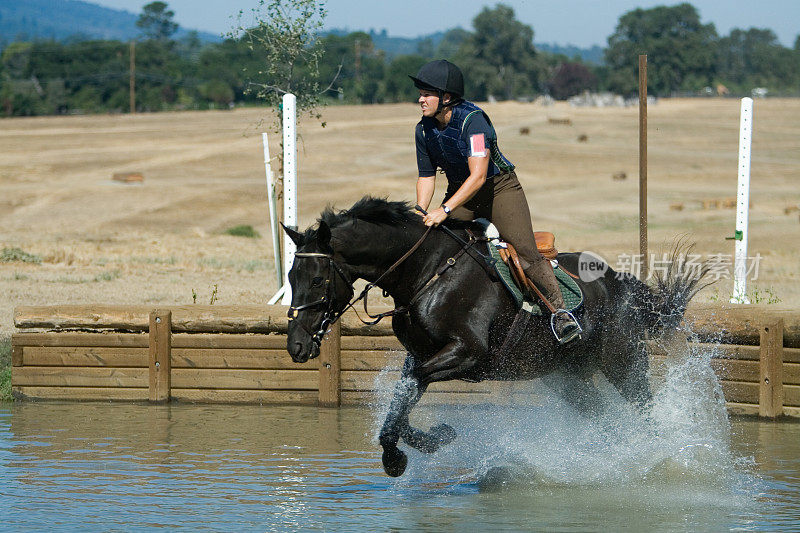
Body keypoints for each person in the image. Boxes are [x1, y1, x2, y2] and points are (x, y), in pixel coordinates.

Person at [410, 59, 581, 344]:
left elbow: (478, 176)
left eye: (427, 93)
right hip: (460, 191)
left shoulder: (473, 121)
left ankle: (561, 314)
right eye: (420, 93)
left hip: (498, 189)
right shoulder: (423, 129)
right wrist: (422, 212)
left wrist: (445, 209)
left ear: (447, 97)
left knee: (526, 254)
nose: (420, 99)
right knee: (434, 239)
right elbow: (426, 176)